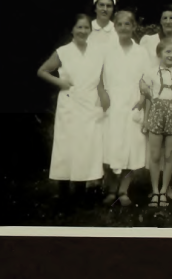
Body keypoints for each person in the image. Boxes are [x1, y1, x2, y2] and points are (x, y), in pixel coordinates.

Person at [37, 13, 109, 210]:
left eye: (86, 28)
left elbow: (100, 81)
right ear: (72, 30)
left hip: (89, 104)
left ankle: (80, 192)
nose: (83, 31)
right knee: (66, 146)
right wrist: (60, 82)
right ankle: (63, 194)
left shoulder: (97, 52)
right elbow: (42, 70)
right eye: (79, 27)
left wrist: (103, 100)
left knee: (85, 147)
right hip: (69, 103)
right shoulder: (63, 51)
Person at [101, 11, 148, 207]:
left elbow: (146, 80)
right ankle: (112, 189)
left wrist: (143, 99)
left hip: (133, 103)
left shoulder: (141, 52)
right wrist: (103, 95)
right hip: (112, 103)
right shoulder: (107, 50)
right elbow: (98, 78)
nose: (123, 28)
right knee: (111, 146)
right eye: (119, 24)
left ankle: (124, 189)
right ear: (115, 27)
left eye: (127, 24)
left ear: (134, 26)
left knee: (132, 148)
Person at [140, 5, 172, 189]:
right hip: (155, 102)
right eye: (165, 18)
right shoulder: (148, 42)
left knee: (169, 152)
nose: (168, 21)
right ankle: (155, 188)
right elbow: (144, 77)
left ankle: (165, 186)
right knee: (155, 151)